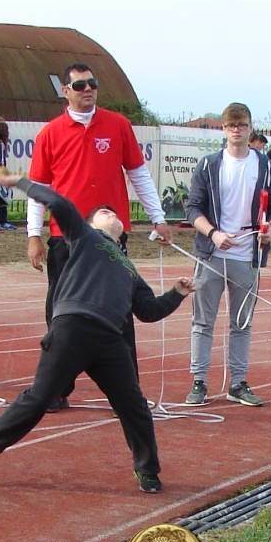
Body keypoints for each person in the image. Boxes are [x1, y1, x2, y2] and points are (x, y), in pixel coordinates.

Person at [0, 171, 194, 494]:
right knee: (40, 398)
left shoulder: (130, 270)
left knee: (133, 405)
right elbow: (59, 203)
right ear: (90, 224)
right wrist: (20, 182)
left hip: (110, 340)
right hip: (72, 327)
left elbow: (148, 311)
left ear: (123, 231)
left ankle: (147, 469)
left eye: (114, 212)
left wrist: (176, 293)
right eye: (103, 212)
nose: (110, 212)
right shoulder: (85, 237)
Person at [26, 61, 171, 412]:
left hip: (109, 241)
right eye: (79, 85)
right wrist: (33, 234)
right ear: (66, 91)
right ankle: (55, 388)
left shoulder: (118, 125)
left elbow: (138, 174)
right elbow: (38, 188)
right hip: (65, 240)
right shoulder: (50, 134)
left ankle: (127, 393)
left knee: (120, 312)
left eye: (92, 83)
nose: (88, 89)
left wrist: (158, 218)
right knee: (60, 314)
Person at [181, 102, 271, 408]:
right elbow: (193, 208)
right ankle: (199, 381)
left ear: (250, 128)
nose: (237, 130)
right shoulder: (209, 165)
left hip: (247, 256)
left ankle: (238, 383)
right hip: (211, 254)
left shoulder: (266, 166)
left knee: (242, 323)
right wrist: (213, 233)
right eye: (231, 125)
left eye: (242, 125)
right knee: (203, 321)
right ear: (224, 129)